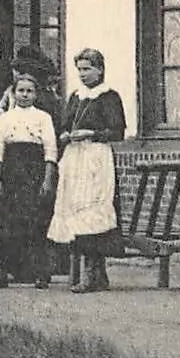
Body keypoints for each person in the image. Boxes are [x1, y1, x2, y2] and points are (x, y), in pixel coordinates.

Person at [49, 48, 127, 293]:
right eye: (80, 70)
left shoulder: (109, 97)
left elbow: (118, 133)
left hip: (96, 157)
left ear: (100, 69)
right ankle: (93, 273)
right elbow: (64, 124)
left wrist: (92, 133)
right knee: (75, 208)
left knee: (93, 208)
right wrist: (64, 134)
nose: (82, 74)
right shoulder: (76, 96)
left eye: (87, 69)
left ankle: (92, 274)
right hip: (75, 159)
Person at [0, 71, 60, 288]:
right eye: (21, 91)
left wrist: (47, 180)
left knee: (36, 222)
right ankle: (1, 273)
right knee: (4, 223)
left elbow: (50, 150)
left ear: (36, 94)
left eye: (29, 91)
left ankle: (40, 273)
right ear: (13, 93)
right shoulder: (5, 118)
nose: (25, 95)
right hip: (11, 171)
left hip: (34, 171)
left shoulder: (43, 118)